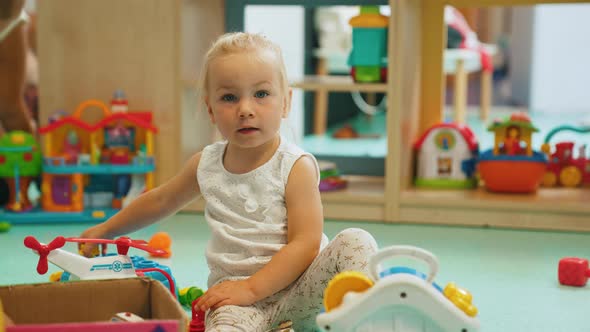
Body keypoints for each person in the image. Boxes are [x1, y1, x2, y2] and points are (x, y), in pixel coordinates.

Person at [79, 32, 378, 331]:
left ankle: (370, 316)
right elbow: (160, 200)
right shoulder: (206, 165)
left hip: (303, 292)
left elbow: (306, 243)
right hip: (237, 300)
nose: (245, 109)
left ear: (286, 102)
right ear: (210, 109)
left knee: (356, 241)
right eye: (229, 97)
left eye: (261, 94)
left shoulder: (295, 166)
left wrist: (253, 287)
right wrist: (106, 228)